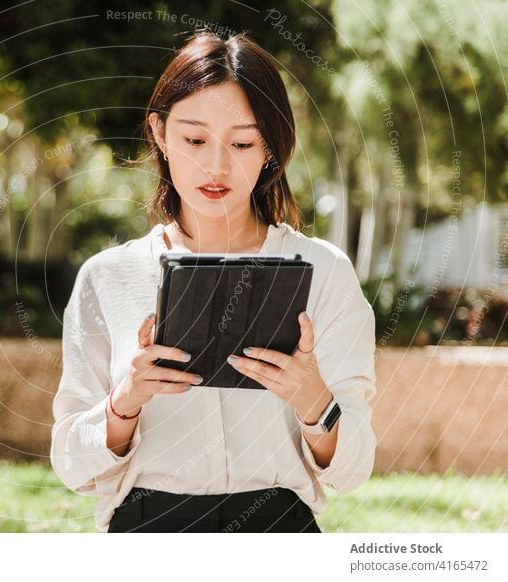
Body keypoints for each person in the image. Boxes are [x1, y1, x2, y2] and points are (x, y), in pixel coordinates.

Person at [49, 29, 377, 533]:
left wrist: (314, 400)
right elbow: (72, 465)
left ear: (270, 146)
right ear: (160, 133)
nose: (216, 165)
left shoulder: (325, 272)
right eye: (194, 139)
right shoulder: (108, 278)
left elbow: (353, 471)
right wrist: (126, 400)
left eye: (242, 142)